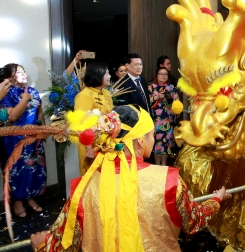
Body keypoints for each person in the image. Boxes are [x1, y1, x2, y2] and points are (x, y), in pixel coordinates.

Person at [30, 105, 231, 251]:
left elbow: (63, 244)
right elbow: (193, 220)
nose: (154, 139)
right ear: (140, 142)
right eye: (151, 135)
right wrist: (216, 200)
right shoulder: (168, 181)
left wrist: (41, 244)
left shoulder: (84, 188)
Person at [0, 63, 46, 217]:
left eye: (24, 71)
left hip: (34, 139)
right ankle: (17, 202)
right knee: (15, 173)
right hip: (13, 141)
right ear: (9, 76)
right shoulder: (4, 93)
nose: (24, 74)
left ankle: (31, 198)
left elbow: (39, 112)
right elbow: (12, 117)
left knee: (34, 171)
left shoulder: (33, 90)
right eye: (19, 71)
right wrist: (25, 99)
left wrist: (43, 130)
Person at [74, 62, 113, 175]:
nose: (110, 76)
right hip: (90, 145)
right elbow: (81, 124)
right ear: (97, 74)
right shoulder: (84, 96)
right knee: (91, 178)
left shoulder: (105, 93)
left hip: (106, 144)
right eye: (106, 73)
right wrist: (89, 149)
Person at [148, 67, 180, 165]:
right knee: (157, 143)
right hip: (155, 119)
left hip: (168, 119)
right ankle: (157, 164)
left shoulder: (172, 87)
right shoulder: (151, 87)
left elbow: (177, 103)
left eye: (165, 74)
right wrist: (157, 97)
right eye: (161, 74)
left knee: (166, 144)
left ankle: (164, 164)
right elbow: (146, 102)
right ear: (156, 75)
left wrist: (176, 108)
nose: (163, 76)